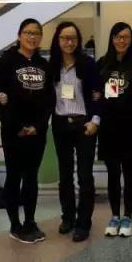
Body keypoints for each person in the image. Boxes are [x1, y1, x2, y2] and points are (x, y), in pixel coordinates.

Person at [0, 19, 54, 244]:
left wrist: (37, 126)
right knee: (14, 176)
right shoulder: (7, 60)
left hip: (36, 132)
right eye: (28, 32)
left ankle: (30, 221)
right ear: (19, 35)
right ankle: (14, 225)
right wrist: (17, 126)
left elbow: (49, 99)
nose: (32, 37)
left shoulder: (43, 64)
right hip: (13, 132)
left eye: (36, 33)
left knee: (31, 177)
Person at [50, 22, 101, 242]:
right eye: (64, 38)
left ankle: (83, 223)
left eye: (72, 38)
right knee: (65, 176)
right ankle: (68, 218)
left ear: (78, 40)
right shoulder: (52, 65)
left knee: (84, 176)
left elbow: (98, 94)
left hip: (84, 126)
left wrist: (95, 121)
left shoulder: (88, 64)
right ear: (58, 40)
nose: (68, 42)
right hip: (61, 125)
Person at [96, 22, 132, 238]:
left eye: (125, 37)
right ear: (112, 39)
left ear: (131, 40)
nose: (121, 41)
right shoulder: (102, 63)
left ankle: (128, 217)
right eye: (117, 37)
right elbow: (96, 93)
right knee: (113, 173)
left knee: (129, 173)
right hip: (108, 128)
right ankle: (114, 215)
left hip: (130, 127)